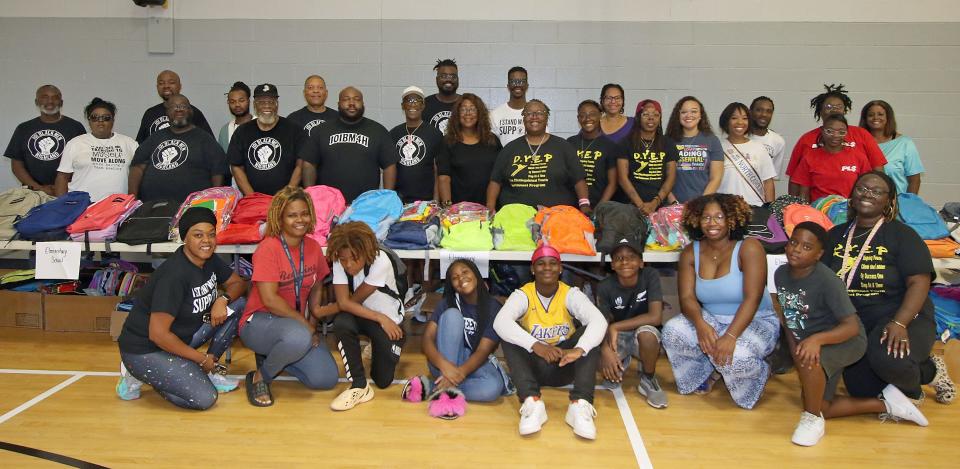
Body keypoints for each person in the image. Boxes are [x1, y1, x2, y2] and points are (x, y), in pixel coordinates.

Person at [773, 221, 927, 447]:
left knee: (810, 388)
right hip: (814, 343)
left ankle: (812, 421)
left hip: (845, 341)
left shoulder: (827, 281)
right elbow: (788, 319)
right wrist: (797, 349)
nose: (796, 249)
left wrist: (815, 341)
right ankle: (889, 405)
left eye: (806, 247)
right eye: (793, 242)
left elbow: (851, 327)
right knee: (821, 403)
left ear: (819, 254)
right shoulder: (780, 274)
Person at [824, 171, 955, 406]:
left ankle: (915, 392)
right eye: (862, 189)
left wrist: (900, 323)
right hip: (858, 320)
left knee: (888, 357)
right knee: (861, 388)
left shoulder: (902, 235)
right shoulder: (835, 235)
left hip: (903, 314)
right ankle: (926, 369)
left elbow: (919, 282)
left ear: (889, 200)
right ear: (852, 196)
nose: (868, 195)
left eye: (877, 191)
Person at [116, 207, 248, 410]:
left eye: (211, 234)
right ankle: (137, 373)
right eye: (198, 235)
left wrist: (223, 299)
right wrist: (201, 359)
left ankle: (206, 369)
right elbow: (158, 334)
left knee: (238, 305)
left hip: (182, 335)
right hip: (145, 350)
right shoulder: (174, 276)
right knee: (205, 399)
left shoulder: (209, 259)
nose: (206, 241)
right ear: (185, 238)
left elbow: (238, 283)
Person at [661, 194, 780, 409]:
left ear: (733, 219)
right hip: (712, 317)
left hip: (755, 319)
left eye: (719, 216)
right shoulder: (690, 252)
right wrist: (700, 325)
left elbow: (752, 299)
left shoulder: (749, 248)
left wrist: (731, 336)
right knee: (672, 331)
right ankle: (706, 372)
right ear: (696, 220)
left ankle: (760, 370)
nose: (712, 223)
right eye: (706, 217)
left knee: (737, 357)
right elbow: (687, 297)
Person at [239, 187, 340, 407]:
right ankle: (260, 377)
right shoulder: (268, 248)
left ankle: (278, 356)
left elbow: (317, 288)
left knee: (325, 378)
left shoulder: (313, 247)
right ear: (280, 218)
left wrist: (312, 322)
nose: (300, 220)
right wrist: (306, 326)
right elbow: (270, 300)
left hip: (294, 326)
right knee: (298, 337)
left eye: (304, 213)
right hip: (259, 322)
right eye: (292, 215)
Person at [493, 245, 606, 439]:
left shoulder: (571, 294)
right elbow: (500, 322)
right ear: (532, 269)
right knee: (509, 332)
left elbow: (599, 321)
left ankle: (580, 405)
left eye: (553, 263)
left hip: (565, 364)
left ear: (560, 268)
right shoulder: (522, 295)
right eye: (541, 264)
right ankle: (532, 402)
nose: (547, 268)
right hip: (533, 367)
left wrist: (579, 349)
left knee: (590, 334)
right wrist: (536, 345)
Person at [403, 259, 508, 415]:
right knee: (452, 315)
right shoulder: (447, 303)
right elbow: (427, 340)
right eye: (455, 277)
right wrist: (444, 366)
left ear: (477, 275)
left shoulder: (494, 307)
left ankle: (433, 387)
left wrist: (460, 373)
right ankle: (447, 398)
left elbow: (483, 351)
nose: (461, 278)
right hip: (442, 361)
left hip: (472, 363)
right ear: (451, 284)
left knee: (493, 388)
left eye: (465, 272)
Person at [328, 222, 406, 411]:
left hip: (388, 320)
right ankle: (359, 385)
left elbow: (350, 300)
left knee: (383, 380)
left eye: (354, 258)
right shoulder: (340, 256)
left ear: (366, 251)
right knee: (342, 323)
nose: (348, 265)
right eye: (343, 259)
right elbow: (345, 304)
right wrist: (378, 317)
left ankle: (386, 343)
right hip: (366, 315)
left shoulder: (380, 260)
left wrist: (327, 310)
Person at [596, 236, 667, 409]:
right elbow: (601, 323)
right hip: (618, 337)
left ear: (641, 262)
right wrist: (605, 350)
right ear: (612, 265)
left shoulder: (650, 276)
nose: (625, 262)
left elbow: (655, 316)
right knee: (607, 373)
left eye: (631, 257)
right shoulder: (604, 286)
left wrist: (615, 326)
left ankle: (648, 378)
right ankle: (621, 362)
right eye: (619, 258)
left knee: (647, 335)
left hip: (642, 333)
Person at [486, 100, 590, 213]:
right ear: (523, 118)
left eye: (540, 113)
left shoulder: (564, 147)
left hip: (556, 216)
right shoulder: (509, 149)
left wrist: (584, 205)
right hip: (516, 216)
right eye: (529, 113)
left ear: (547, 117)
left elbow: (579, 179)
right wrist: (490, 206)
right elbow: (495, 181)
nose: (534, 117)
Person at [299, 86, 397, 203]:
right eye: (346, 99)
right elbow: (309, 163)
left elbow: (389, 166)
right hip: (328, 205)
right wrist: (311, 195)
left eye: (356, 99)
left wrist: (387, 197)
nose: (351, 103)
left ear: (363, 103)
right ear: (339, 103)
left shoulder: (378, 131)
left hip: (367, 204)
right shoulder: (321, 130)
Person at [785, 84, 886, 196]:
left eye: (839, 107)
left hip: (853, 205)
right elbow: (795, 179)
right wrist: (793, 207)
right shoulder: (806, 139)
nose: (834, 110)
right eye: (828, 107)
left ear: (845, 110)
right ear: (820, 110)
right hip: (818, 207)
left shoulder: (861, 134)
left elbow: (878, 170)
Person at [129, 94, 227, 202]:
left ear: (191, 111)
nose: (178, 110)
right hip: (152, 208)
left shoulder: (205, 140)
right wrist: (133, 200)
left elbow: (218, 171)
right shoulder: (154, 138)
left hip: (192, 209)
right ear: (167, 113)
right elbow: (137, 167)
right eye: (174, 107)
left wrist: (213, 201)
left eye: (183, 106)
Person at [5, 85, 86, 195]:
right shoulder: (24, 128)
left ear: (61, 102)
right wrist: (38, 188)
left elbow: (84, 161)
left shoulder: (75, 127)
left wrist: (62, 186)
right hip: (32, 194)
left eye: (55, 97)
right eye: (44, 97)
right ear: (36, 102)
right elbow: (17, 165)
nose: (50, 101)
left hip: (68, 191)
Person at [228, 84, 305, 196]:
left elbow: (301, 165)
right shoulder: (242, 132)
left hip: (287, 200)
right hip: (253, 201)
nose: (266, 106)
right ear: (254, 105)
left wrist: (287, 195)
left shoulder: (294, 129)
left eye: (271, 102)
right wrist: (252, 197)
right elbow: (236, 166)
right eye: (261, 102)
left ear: (277, 105)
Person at [54, 98, 137, 201]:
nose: (100, 122)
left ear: (113, 120)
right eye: (95, 117)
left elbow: (138, 176)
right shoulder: (75, 143)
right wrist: (63, 205)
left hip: (118, 207)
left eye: (106, 118)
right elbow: (62, 177)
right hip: (82, 207)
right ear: (89, 120)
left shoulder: (130, 144)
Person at [436, 93, 502, 206]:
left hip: (488, 207)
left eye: (472, 109)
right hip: (458, 210)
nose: (468, 113)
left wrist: (490, 206)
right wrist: (447, 207)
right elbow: (444, 177)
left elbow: (499, 175)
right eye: (463, 109)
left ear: (480, 113)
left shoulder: (492, 140)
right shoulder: (448, 141)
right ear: (457, 114)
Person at [790, 115, 872, 203]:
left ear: (846, 133)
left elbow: (866, 187)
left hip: (848, 211)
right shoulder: (809, 157)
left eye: (841, 132)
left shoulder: (859, 157)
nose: (835, 135)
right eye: (829, 131)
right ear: (822, 131)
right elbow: (804, 194)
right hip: (818, 211)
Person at [619, 99, 677, 215]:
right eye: (646, 114)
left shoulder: (668, 143)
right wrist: (641, 205)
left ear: (660, 118)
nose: (651, 118)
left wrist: (654, 203)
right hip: (631, 206)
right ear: (638, 117)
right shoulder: (625, 143)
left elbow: (671, 177)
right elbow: (622, 178)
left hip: (660, 206)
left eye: (656, 115)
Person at [388, 86, 443, 204]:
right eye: (408, 101)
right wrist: (389, 199)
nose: (413, 105)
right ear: (403, 106)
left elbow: (437, 170)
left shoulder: (434, 133)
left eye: (417, 101)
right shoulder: (393, 133)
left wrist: (436, 200)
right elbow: (390, 169)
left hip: (426, 201)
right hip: (399, 201)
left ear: (423, 106)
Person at [665, 96, 724, 203]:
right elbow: (662, 176)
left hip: (703, 205)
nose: (689, 115)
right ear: (678, 115)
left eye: (694, 111)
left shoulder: (712, 140)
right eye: (684, 112)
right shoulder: (668, 141)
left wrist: (701, 203)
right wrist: (673, 203)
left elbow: (716, 178)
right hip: (673, 206)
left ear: (700, 115)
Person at [717, 102, 776, 207]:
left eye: (744, 118)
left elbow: (768, 181)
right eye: (734, 118)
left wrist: (769, 209)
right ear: (726, 121)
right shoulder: (717, 148)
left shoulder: (759, 148)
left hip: (755, 207)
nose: (740, 122)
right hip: (725, 208)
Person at [859, 100, 924, 195]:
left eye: (880, 114)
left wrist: (909, 204)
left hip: (897, 205)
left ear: (888, 117)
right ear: (865, 118)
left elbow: (914, 180)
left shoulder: (905, 143)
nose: (875, 117)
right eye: (871, 115)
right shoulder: (857, 143)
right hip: (864, 204)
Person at [567, 99, 621, 207]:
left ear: (600, 115)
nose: (587, 119)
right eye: (583, 115)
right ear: (578, 118)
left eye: (592, 114)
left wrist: (599, 208)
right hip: (572, 206)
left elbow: (613, 183)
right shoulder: (570, 143)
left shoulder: (610, 146)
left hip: (599, 205)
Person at [135, 70, 212, 144]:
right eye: (161, 83)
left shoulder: (192, 112)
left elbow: (209, 143)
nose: (166, 86)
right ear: (157, 87)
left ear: (180, 86)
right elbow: (140, 145)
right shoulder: (150, 113)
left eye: (171, 82)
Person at [490, 66, 547, 145]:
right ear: (508, 86)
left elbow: (544, 140)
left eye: (522, 81)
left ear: (527, 85)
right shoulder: (495, 114)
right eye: (513, 81)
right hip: (506, 157)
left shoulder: (537, 114)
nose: (517, 85)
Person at [748, 96, 787, 179]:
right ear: (750, 112)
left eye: (768, 111)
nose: (764, 114)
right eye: (759, 110)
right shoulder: (739, 137)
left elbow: (773, 177)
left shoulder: (778, 141)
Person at [423, 59, 461, 134]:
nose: (449, 79)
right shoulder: (425, 104)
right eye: (444, 76)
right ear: (437, 79)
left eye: (453, 76)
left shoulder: (466, 103)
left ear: (458, 79)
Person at [217, 81, 254, 152]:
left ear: (248, 101)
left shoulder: (261, 125)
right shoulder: (225, 130)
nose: (237, 105)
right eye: (232, 102)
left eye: (241, 100)